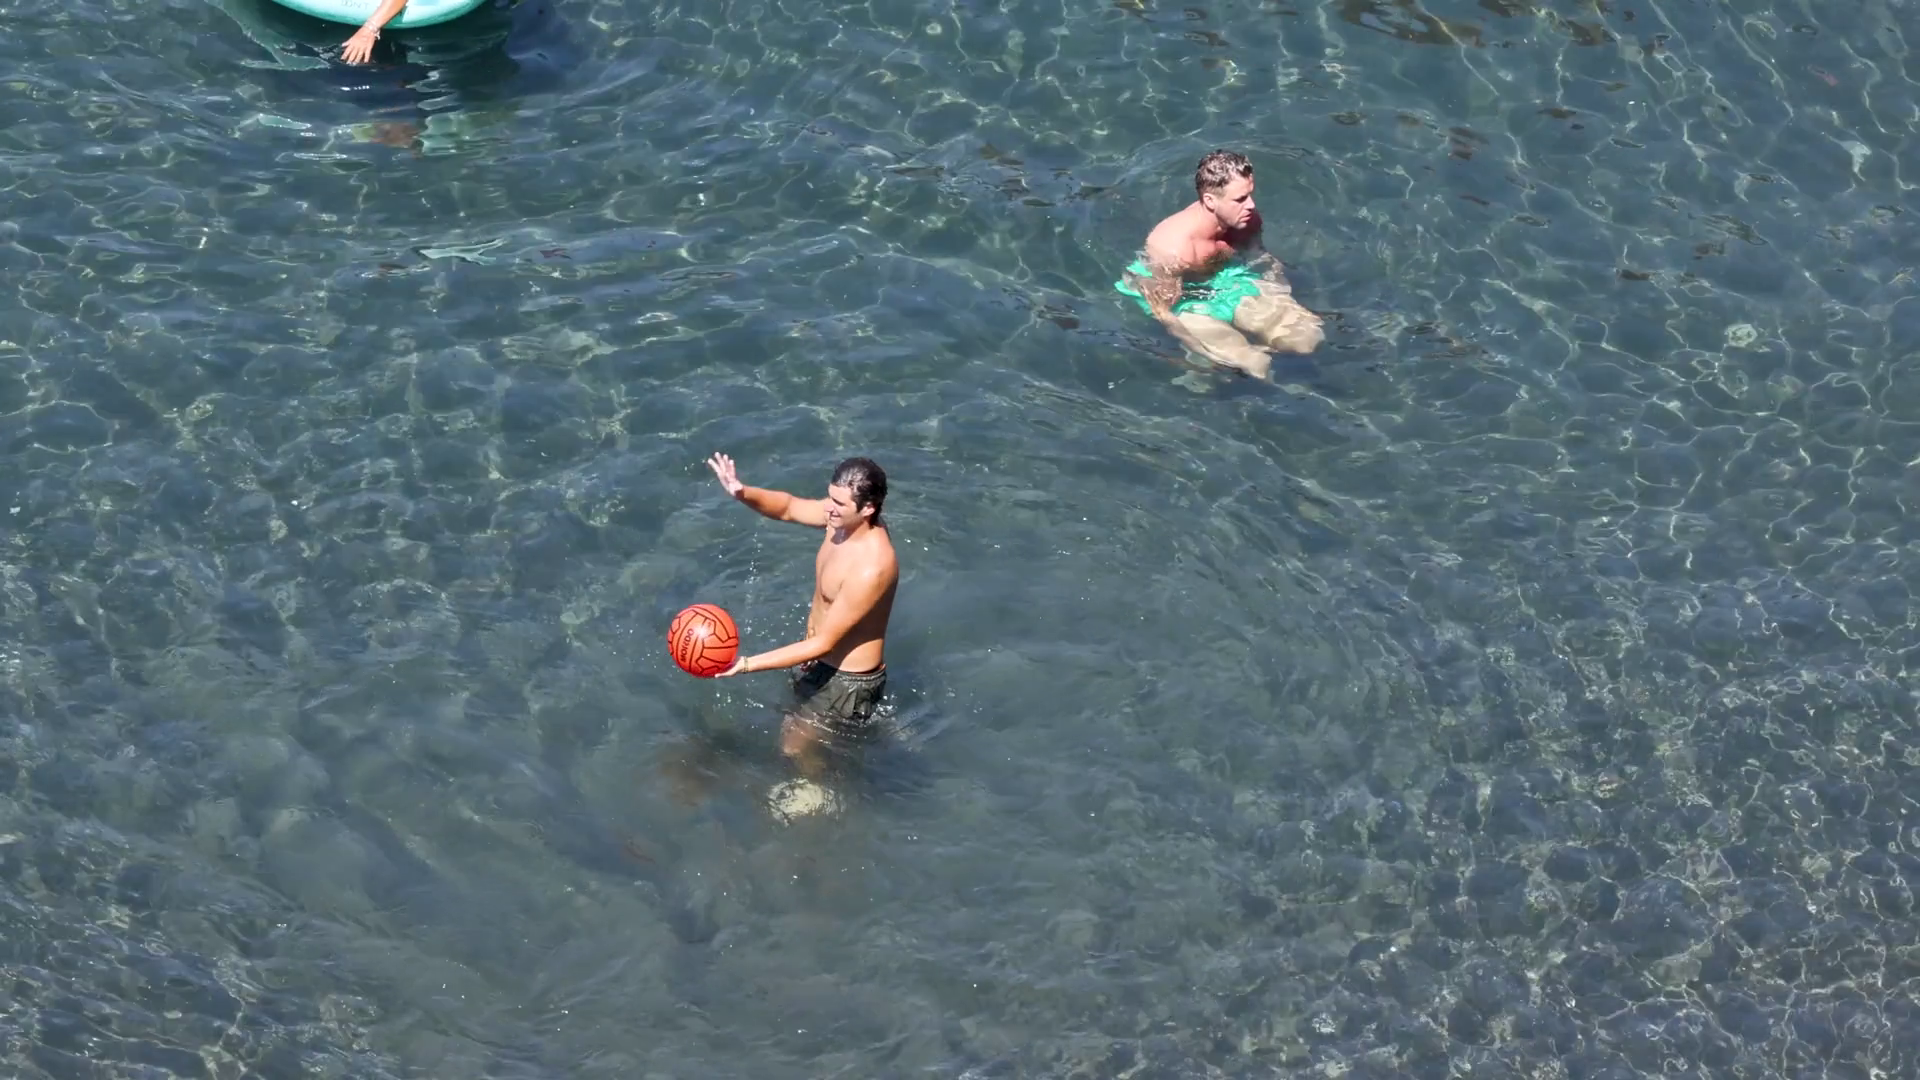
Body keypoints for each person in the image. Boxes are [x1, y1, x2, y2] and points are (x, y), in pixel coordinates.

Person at [704, 453, 900, 778]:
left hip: (847, 681)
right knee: (797, 724)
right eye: (830, 497)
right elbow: (789, 507)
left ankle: (822, 792)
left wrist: (746, 664)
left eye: (839, 503)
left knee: (793, 747)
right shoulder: (841, 521)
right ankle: (877, 732)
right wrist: (741, 491)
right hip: (817, 659)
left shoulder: (872, 567)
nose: (829, 508)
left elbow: (826, 643)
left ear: (868, 508)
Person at [1115, 149, 1325, 378]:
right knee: (1256, 364)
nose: (1251, 205)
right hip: (1183, 300)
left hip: (1229, 276)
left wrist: (1282, 297)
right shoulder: (1173, 247)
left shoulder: (1246, 219)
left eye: (1250, 195)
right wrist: (1193, 346)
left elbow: (1261, 259)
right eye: (1240, 199)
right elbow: (1163, 311)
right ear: (1210, 201)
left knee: (1307, 338)